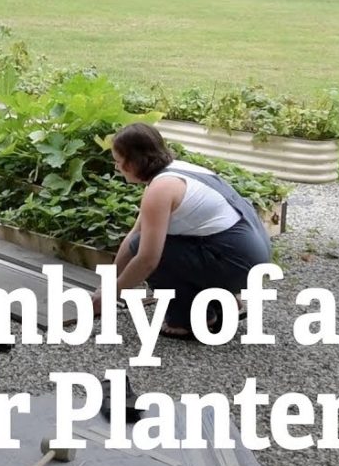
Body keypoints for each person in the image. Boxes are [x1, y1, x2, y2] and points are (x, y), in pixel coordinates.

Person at [94, 122, 271, 339]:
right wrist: (107, 285)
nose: (117, 168)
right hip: (249, 255)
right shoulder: (177, 172)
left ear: (132, 163)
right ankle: (221, 299)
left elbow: (147, 259)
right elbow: (134, 233)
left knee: (150, 251)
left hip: (239, 263)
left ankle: (191, 320)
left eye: (118, 162)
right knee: (144, 241)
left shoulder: (161, 189)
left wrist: (111, 296)